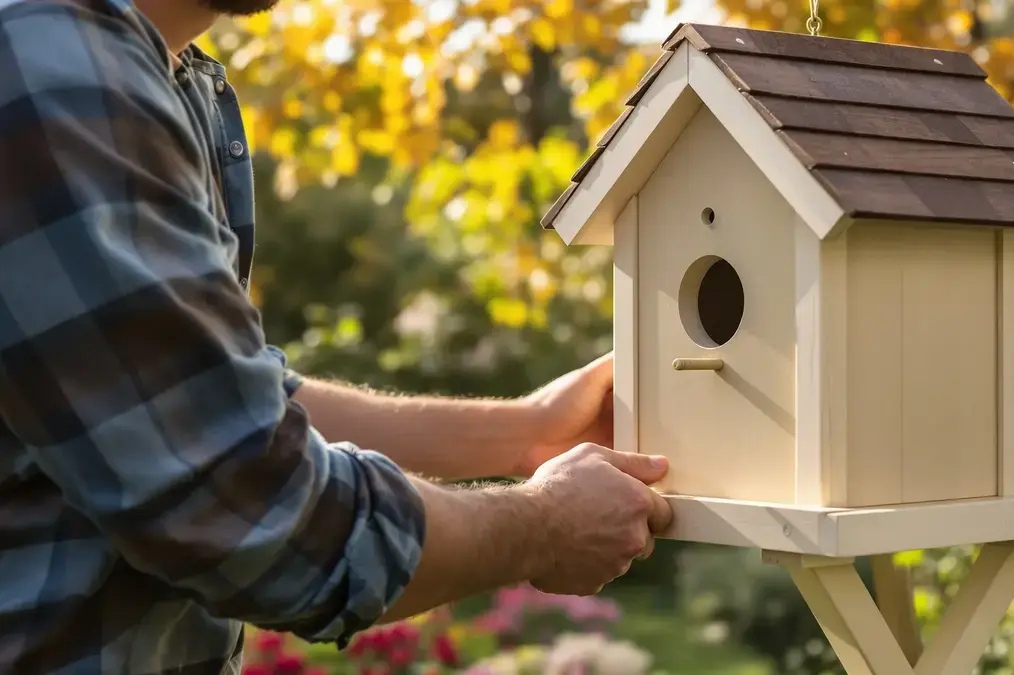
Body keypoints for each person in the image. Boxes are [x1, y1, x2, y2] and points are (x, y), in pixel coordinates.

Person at [0, 0, 674, 672]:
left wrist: (532, 430)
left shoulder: (155, 74)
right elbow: (256, 511)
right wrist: (541, 525)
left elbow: (216, 400)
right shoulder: (49, 68)